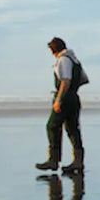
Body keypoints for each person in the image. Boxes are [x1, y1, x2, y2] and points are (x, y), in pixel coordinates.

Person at [37, 37, 88, 172]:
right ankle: (78, 161)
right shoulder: (74, 60)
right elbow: (84, 79)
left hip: (65, 98)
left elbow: (65, 81)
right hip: (74, 98)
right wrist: (73, 90)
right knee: (72, 129)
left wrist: (59, 99)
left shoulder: (63, 60)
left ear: (54, 49)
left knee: (52, 126)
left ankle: (53, 160)